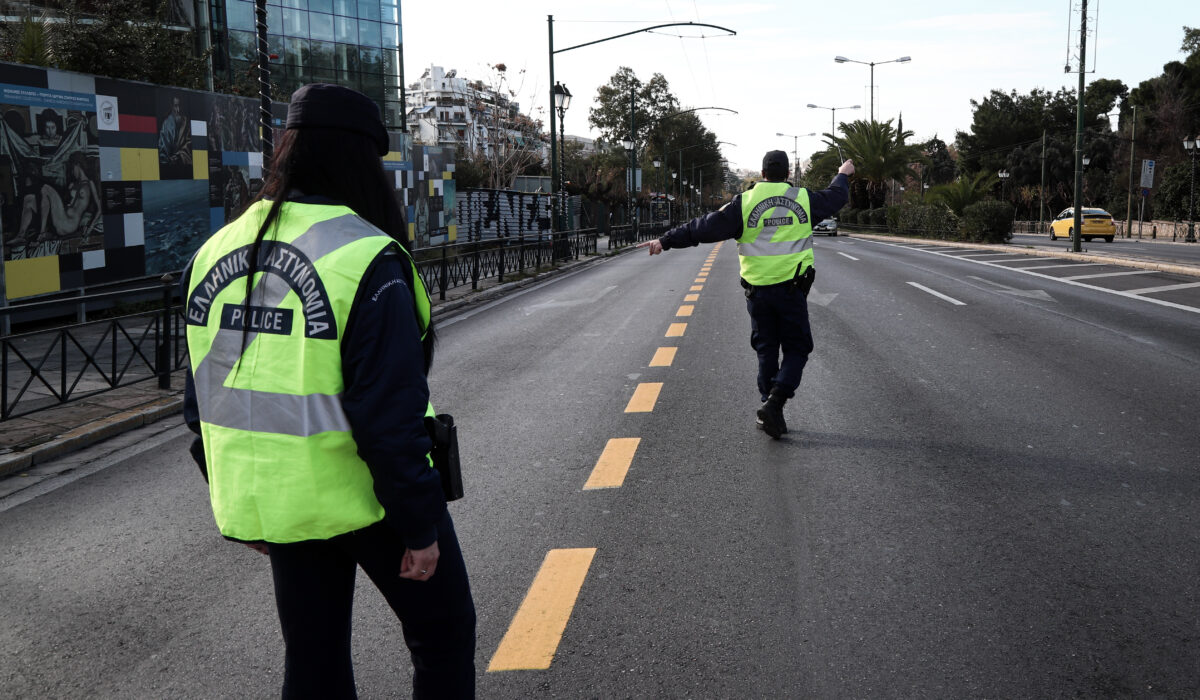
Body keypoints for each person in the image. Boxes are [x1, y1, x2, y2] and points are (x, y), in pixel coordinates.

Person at [182, 83, 475, 699]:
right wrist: (420, 526)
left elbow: (201, 402)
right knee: (443, 637)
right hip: (370, 500)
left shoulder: (216, 251)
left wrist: (246, 503)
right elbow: (388, 418)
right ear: (361, 161)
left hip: (283, 502)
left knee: (313, 660)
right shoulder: (364, 255)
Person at [637, 150, 854, 438]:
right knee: (797, 349)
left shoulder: (744, 203)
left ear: (762, 174)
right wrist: (842, 174)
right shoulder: (803, 199)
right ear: (788, 174)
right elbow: (836, 197)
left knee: (766, 350)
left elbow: (702, 228)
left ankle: (770, 407)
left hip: (758, 293)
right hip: (792, 291)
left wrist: (665, 241)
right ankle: (775, 403)